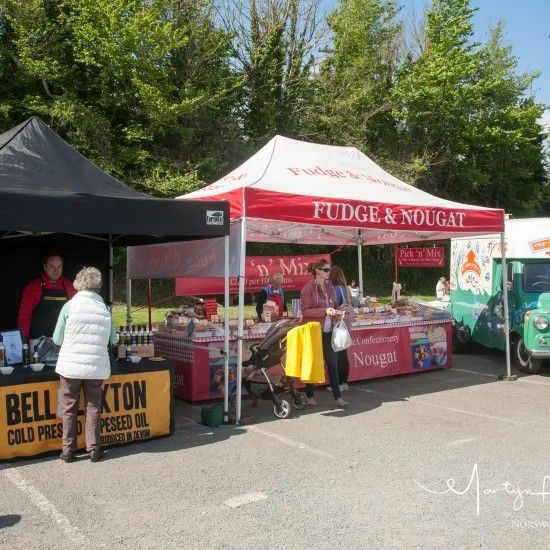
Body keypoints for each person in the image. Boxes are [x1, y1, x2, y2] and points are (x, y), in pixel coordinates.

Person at [53, 267, 117, 463]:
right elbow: (113, 339)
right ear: (98, 286)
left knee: (69, 407)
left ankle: (67, 450)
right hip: (96, 366)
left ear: (78, 283)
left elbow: (57, 339)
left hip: (70, 367)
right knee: (93, 407)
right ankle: (94, 448)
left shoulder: (69, 306)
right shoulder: (105, 309)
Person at [300, 259, 348, 408]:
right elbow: (305, 311)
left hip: (329, 330)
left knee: (332, 363)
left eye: (329, 270)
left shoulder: (330, 286)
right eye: (326, 270)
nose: (329, 272)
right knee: (313, 363)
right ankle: (309, 395)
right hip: (314, 331)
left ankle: (338, 397)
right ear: (318, 271)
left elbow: (333, 306)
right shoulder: (307, 289)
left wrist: (337, 313)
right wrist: (325, 311)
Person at [18, 251, 76, 344]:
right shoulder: (33, 287)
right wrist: (22, 343)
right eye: (52, 266)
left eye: (59, 266)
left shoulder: (70, 286)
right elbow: (24, 318)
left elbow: (76, 315)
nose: (56, 270)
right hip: (38, 344)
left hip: (64, 343)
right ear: (45, 267)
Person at [329, 266, 354, 392]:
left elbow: (334, 305)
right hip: (346, 323)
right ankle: (344, 382)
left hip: (339, 322)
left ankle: (338, 383)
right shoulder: (345, 288)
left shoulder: (336, 289)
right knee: (343, 353)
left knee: (338, 354)